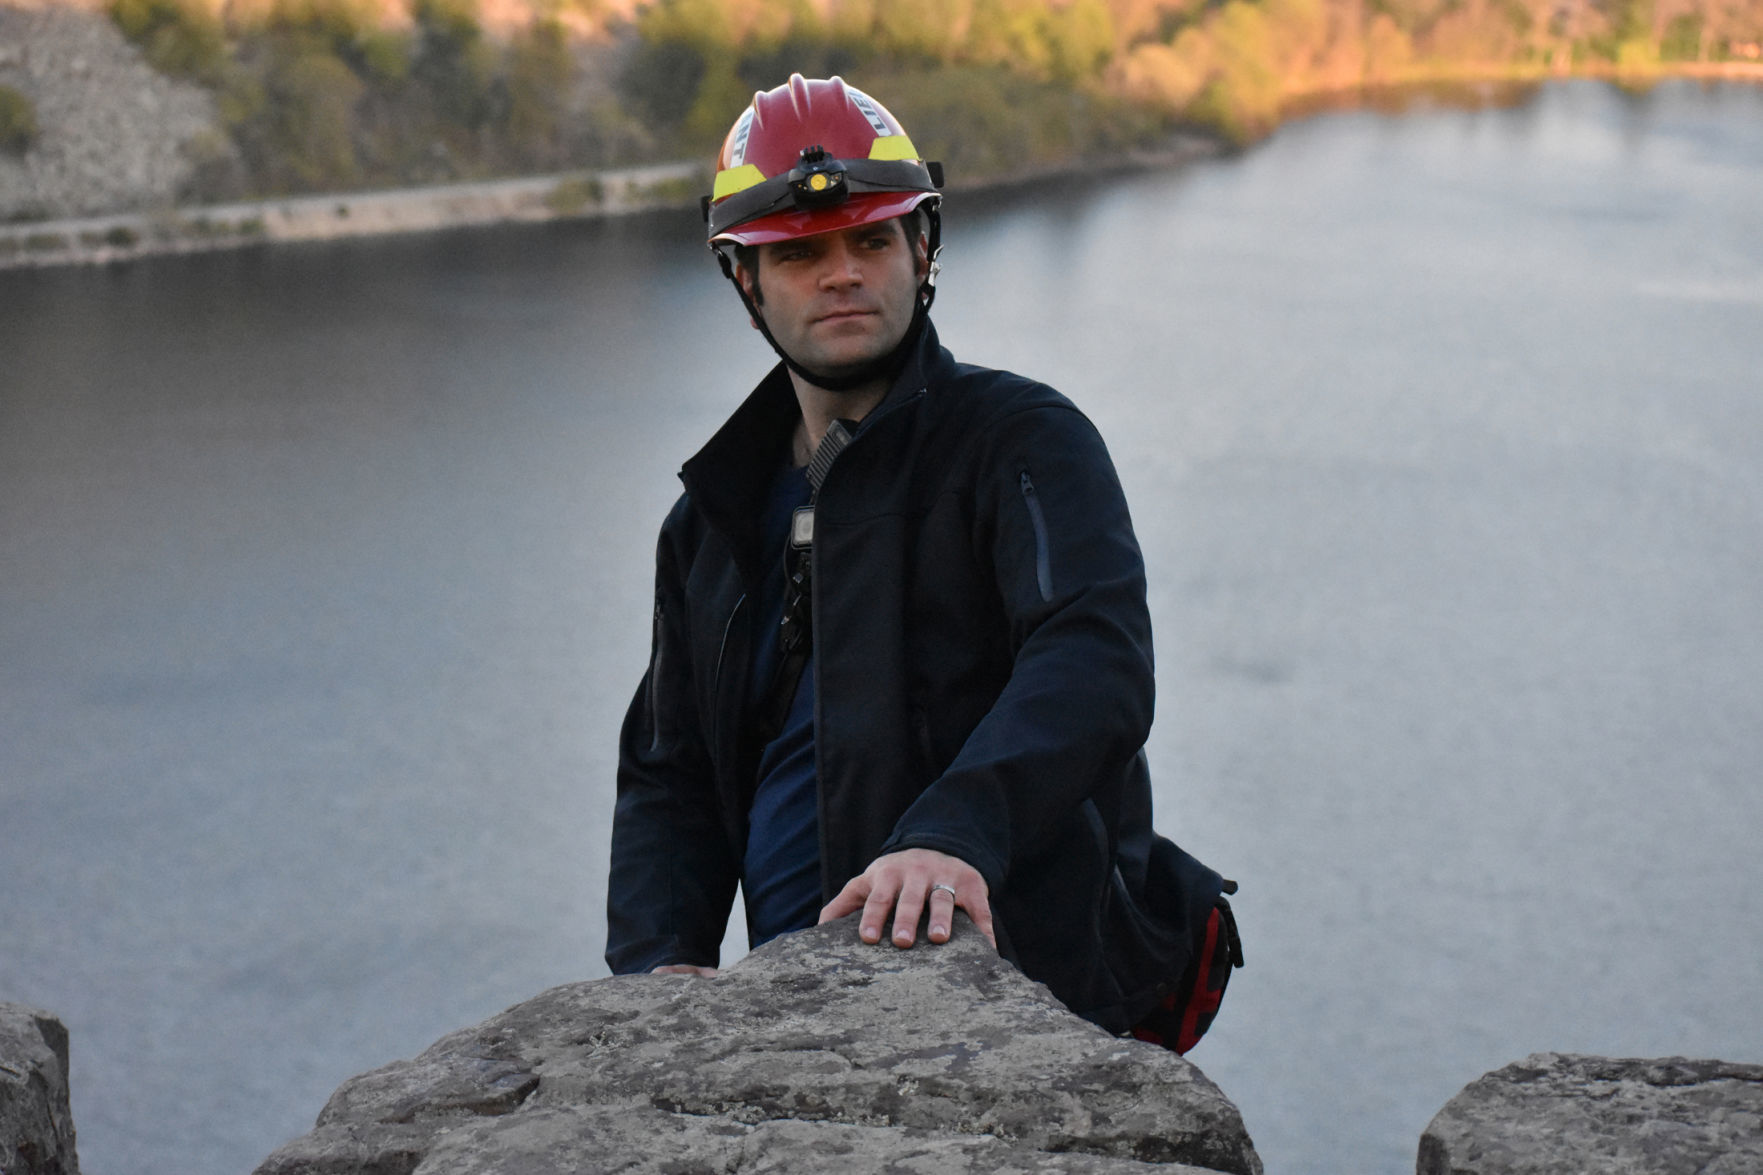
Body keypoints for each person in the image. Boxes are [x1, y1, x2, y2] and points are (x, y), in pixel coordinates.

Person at [606, 74, 1233, 1039]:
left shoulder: (1020, 441)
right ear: (746, 283)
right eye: (800, 253)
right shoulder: (710, 523)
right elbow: (670, 769)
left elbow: (1092, 656)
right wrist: (660, 961)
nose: (842, 273)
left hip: (1024, 999)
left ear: (921, 248)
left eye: (870, 240)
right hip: (799, 1016)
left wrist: (954, 834)